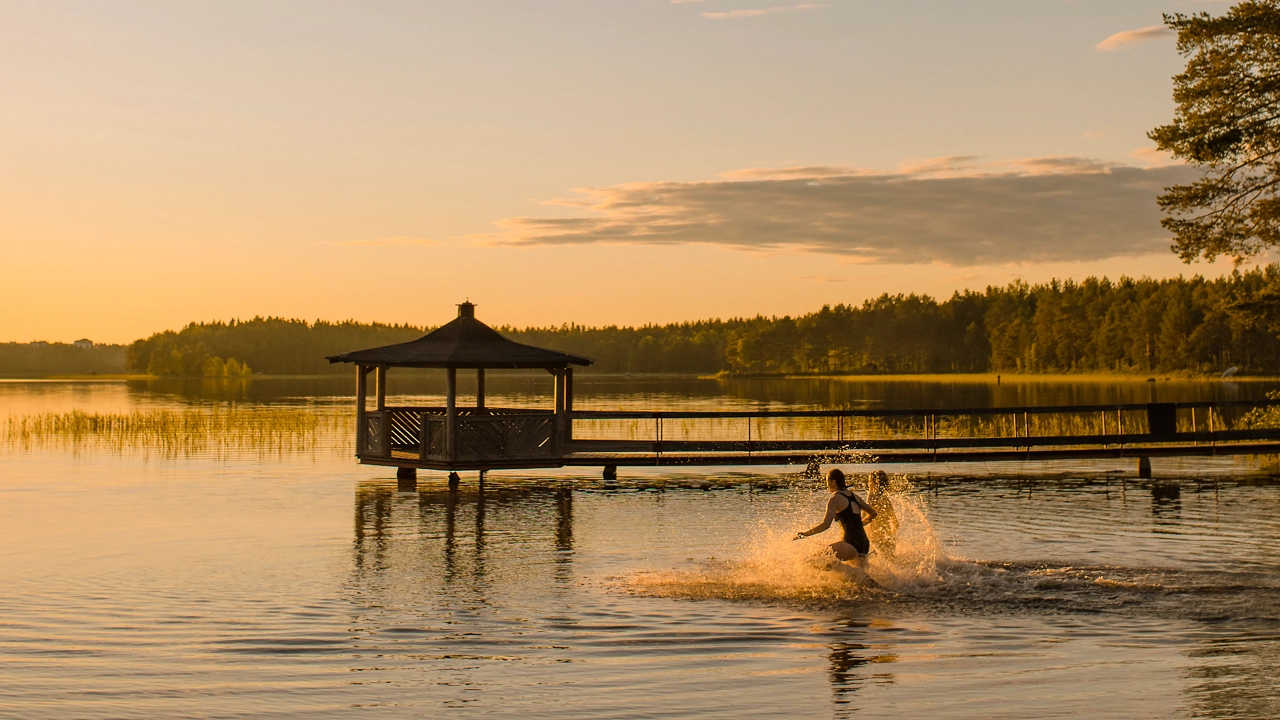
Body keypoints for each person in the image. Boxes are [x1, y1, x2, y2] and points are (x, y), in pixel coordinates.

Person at [795, 468, 877, 564]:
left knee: (815, 561)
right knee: (860, 576)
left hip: (850, 543)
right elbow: (873, 513)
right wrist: (858, 525)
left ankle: (849, 572)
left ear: (833, 482)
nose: (827, 484)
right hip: (864, 543)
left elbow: (826, 525)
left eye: (827, 481)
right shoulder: (855, 496)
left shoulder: (835, 499)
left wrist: (805, 534)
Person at [864, 470, 899, 558]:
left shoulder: (871, 496)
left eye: (869, 481)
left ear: (872, 482)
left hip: (875, 536)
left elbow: (865, 516)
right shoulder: (886, 499)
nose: (868, 484)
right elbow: (896, 523)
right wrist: (892, 536)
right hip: (887, 536)